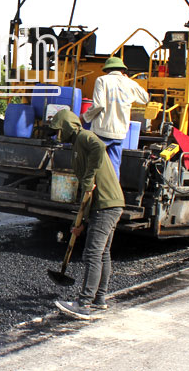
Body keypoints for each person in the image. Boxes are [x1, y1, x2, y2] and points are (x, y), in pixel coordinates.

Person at [49, 108, 125, 321]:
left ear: (66, 127)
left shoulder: (84, 137)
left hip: (106, 205)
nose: (57, 135)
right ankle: (99, 300)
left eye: (58, 131)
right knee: (103, 253)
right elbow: (88, 193)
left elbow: (100, 147)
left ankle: (83, 304)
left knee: (92, 254)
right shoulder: (77, 145)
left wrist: (89, 177)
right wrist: (80, 223)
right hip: (109, 204)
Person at [81, 56, 149, 178]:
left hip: (102, 130)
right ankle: (113, 192)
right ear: (123, 71)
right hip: (120, 133)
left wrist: (85, 117)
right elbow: (145, 98)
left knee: (93, 163)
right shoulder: (130, 83)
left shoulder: (102, 80)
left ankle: (91, 192)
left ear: (107, 70)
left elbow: (98, 105)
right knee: (114, 165)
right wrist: (131, 82)